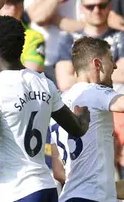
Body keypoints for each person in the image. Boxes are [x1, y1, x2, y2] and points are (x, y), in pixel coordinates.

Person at [0, 16, 90, 202]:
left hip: (17, 192)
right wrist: (84, 115)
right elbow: (77, 128)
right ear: (22, 45)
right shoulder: (44, 83)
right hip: (47, 189)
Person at [53, 37, 124, 202]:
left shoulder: (59, 103)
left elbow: (58, 171)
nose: (114, 66)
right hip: (93, 198)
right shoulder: (93, 91)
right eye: (111, 60)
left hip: (69, 196)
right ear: (97, 64)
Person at [55, 0, 124, 92]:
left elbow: (123, 75)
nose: (96, 11)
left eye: (102, 5)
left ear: (109, 6)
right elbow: (65, 82)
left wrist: (82, 75)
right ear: (82, 8)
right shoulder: (68, 39)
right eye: (90, 7)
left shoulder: (121, 37)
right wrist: (109, 74)